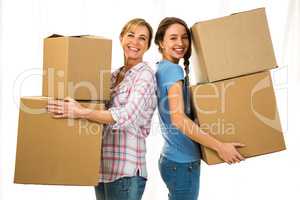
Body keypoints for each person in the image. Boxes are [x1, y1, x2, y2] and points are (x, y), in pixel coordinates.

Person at [47, 18, 157, 200]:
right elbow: (93, 106)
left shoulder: (145, 75)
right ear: (122, 38)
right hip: (102, 170)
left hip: (125, 173)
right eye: (131, 35)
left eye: (142, 38)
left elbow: (128, 115)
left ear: (147, 46)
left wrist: (80, 111)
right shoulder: (113, 76)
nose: (135, 42)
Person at [154, 17, 245, 200]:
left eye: (184, 37)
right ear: (161, 42)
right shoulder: (173, 70)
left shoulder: (160, 68)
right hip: (182, 163)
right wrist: (220, 147)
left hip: (171, 159)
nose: (180, 43)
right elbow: (178, 119)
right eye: (173, 38)